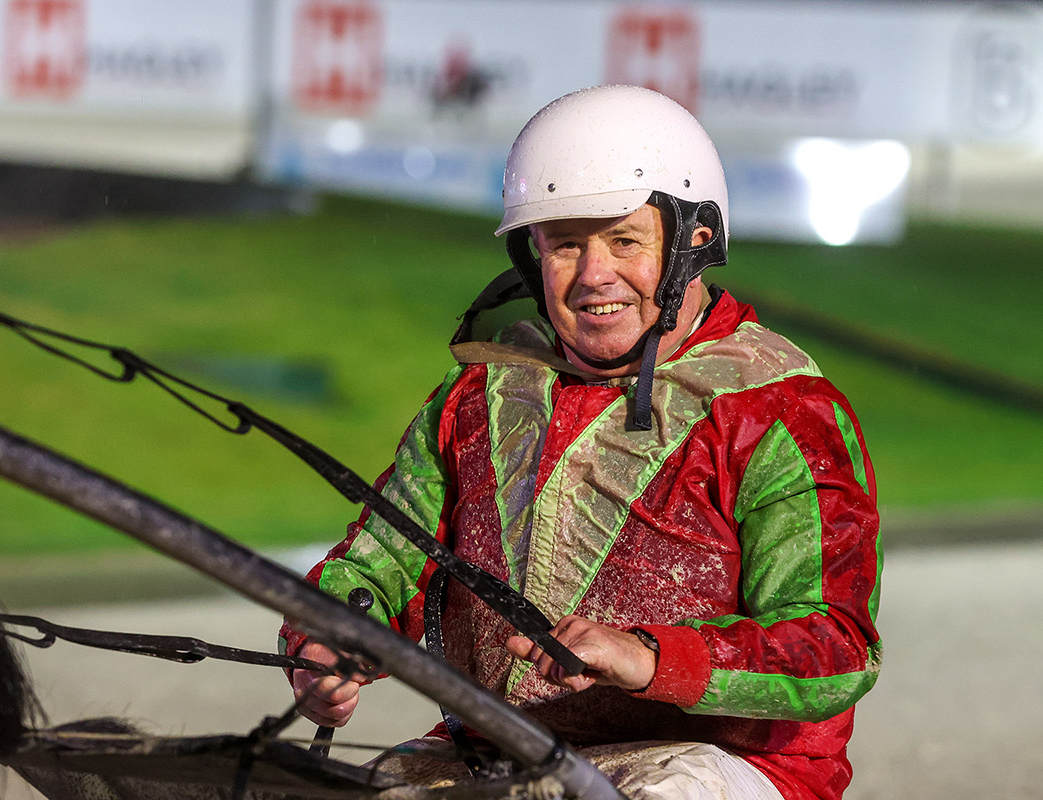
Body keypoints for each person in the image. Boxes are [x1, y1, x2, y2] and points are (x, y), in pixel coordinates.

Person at [279, 84, 882, 800]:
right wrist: (327, 641)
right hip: (497, 748)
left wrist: (649, 657)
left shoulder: (780, 409)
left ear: (693, 241)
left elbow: (836, 648)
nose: (595, 275)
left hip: (716, 762)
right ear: (532, 256)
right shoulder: (476, 396)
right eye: (566, 245)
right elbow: (381, 562)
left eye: (625, 240)